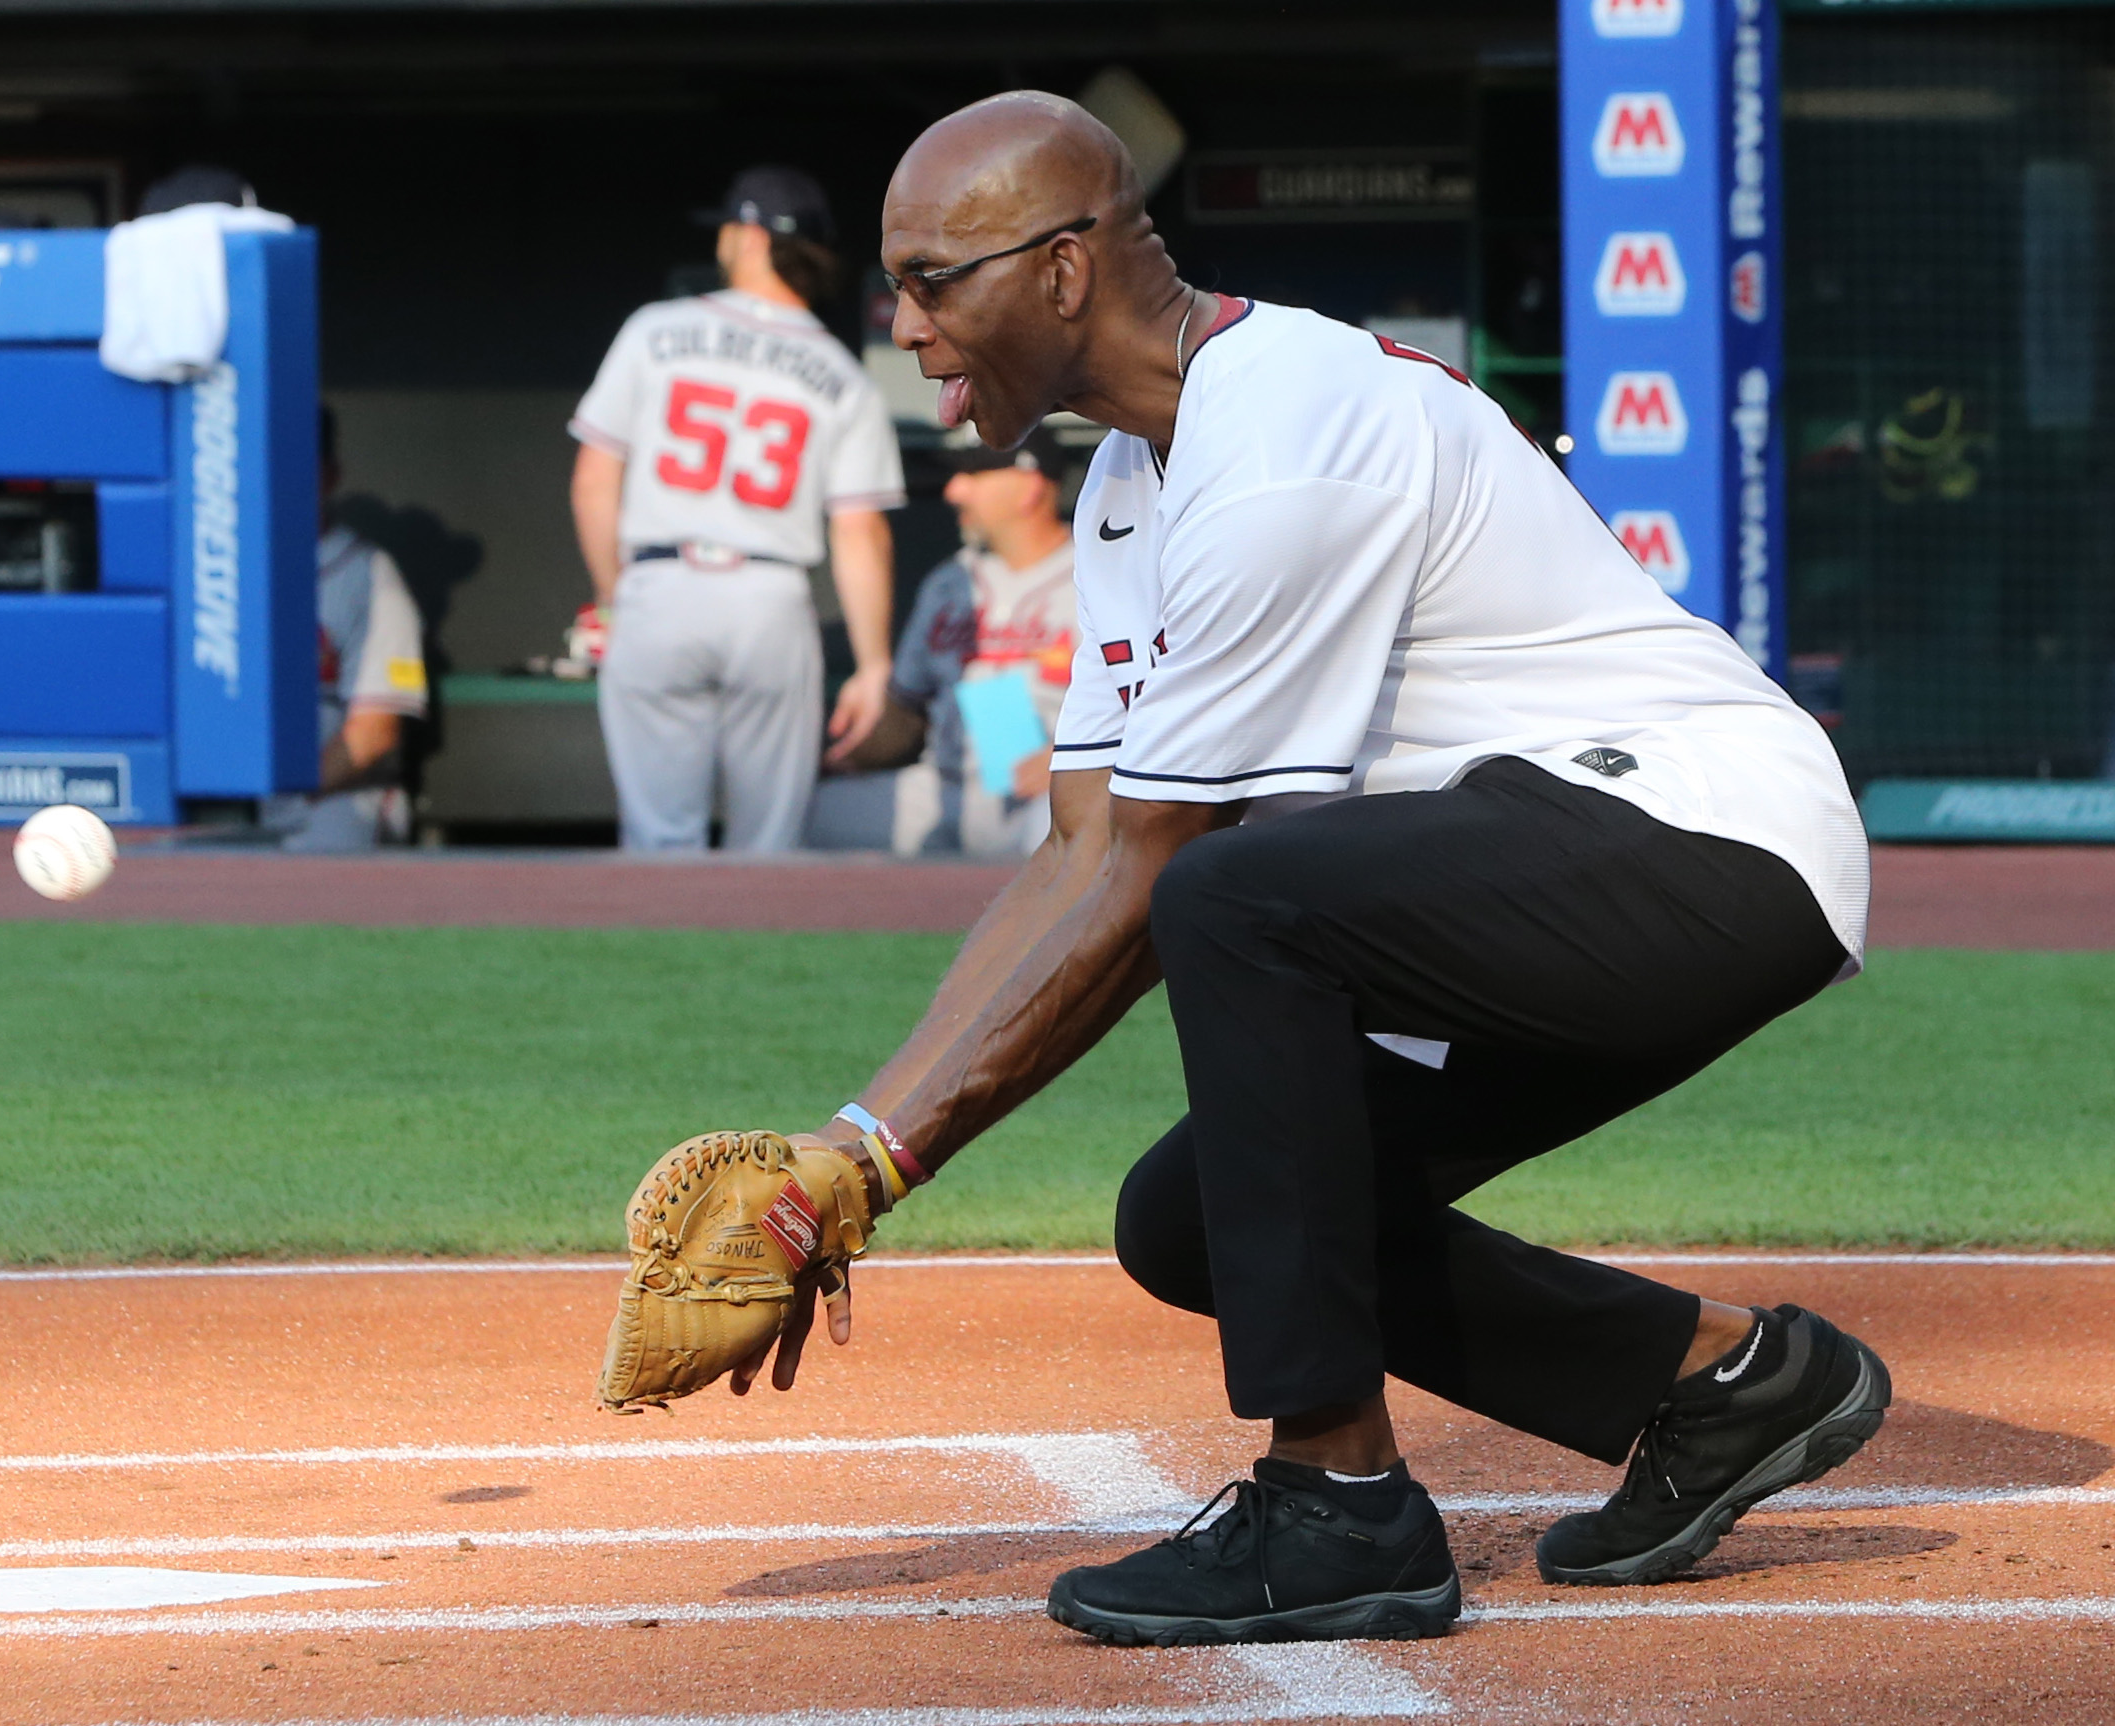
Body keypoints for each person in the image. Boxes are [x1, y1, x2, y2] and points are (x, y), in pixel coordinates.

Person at [738, 93, 1890, 1644]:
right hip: (1553, 855)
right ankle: (1723, 1382)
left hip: (1704, 837)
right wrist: (850, 1144)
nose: (904, 321)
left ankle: (1338, 1501)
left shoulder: (1277, 434)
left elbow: (1162, 868)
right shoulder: (1136, 482)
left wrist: (874, 1170)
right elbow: (1081, 845)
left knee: (1231, 894)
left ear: (1064, 269)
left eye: (933, 278)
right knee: (1197, 1215)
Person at [569, 166, 905, 852]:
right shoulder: (841, 372)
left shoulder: (656, 329)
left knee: (661, 843)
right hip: (768, 595)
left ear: (751, 238)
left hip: (661, 585)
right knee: (768, 849)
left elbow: (593, 482)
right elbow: (860, 530)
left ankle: (663, 959)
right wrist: (874, 665)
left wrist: (613, 595)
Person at [848, 425, 1076, 856]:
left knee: (1062, 828)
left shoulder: (1100, 574)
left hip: (1045, 793)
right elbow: (907, 706)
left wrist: (1083, 762)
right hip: (942, 785)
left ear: (1028, 486)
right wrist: (849, 745)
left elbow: (1153, 701)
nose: (954, 491)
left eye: (974, 475)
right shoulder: (950, 580)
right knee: (814, 812)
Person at [261, 407, 428, 852]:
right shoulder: (219, 570)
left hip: (334, 792)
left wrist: (289, 797)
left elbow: (376, 732)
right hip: (236, 796)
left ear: (329, 476)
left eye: (298, 465)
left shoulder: (368, 575)